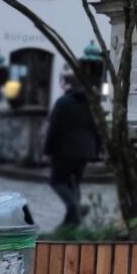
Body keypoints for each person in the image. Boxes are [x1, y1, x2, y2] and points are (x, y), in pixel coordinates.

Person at [43, 74, 102, 229]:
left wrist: (47, 151)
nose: (61, 87)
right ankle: (71, 221)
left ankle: (74, 208)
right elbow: (97, 127)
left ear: (68, 84)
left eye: (62, 83)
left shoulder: (63, 102)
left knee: (57, 181)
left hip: (64, 150)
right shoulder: (90, 103)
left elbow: (53, 128)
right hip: (85, 150)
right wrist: (97, 150)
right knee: (74, 181)